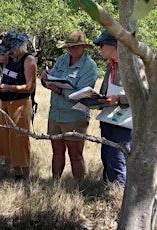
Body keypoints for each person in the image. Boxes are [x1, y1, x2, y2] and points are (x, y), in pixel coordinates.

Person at [40, 30, 98, 181]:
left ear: (84, 47)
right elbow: (50, 81)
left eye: (76, 47)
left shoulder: (89, 66)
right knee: (57, 151)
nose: (72, 50)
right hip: (55, 114)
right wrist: (45, 79)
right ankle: (55, 183)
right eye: (69, 47)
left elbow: (83, 94)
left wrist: (58, 90)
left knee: (75, 154)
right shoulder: (62, 60)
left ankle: (80, 187)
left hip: (75, 116)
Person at [93, 30, 146, 187]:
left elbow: (143, 94)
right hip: (108, 118)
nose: (100, 48)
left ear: (114, 45)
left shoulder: (135, 63)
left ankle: (118, 199)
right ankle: (108, 194)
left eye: (102, 45)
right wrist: (97, 100)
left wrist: (119, 99)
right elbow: (105, 92)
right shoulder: (111, 65)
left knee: (117, 160)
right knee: (107, 157)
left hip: (126, 122)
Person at [0, 30, 37, 180]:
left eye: (11, 50)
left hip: (20, 104)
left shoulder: (28, 60)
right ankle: (16, 173)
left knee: (20, 140)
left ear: (19, 46)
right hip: (4, 103)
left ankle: (25, 177)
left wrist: (8, 87)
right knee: (6, 140)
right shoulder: (8, 58)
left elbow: (29, 87)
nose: (10, 54)